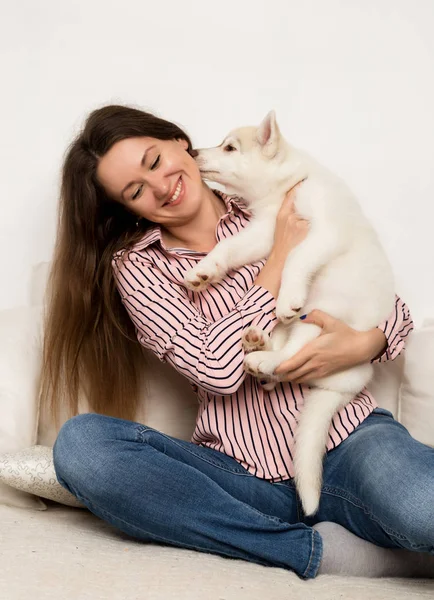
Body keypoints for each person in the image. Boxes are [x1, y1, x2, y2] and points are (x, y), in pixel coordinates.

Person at [42, 105, 434, 580]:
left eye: (153, 161)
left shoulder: (272, 196)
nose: (162, 186)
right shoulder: (139, 269)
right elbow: (219, 370)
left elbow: (386, 302)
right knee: (83, 446)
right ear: (128, 209)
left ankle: (385, 537)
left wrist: (361, 344)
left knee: (423, 507)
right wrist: (277, 261)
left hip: (349, 439)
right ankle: (318, 551)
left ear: (177, 142)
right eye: (137, 190)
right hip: (238, 477)